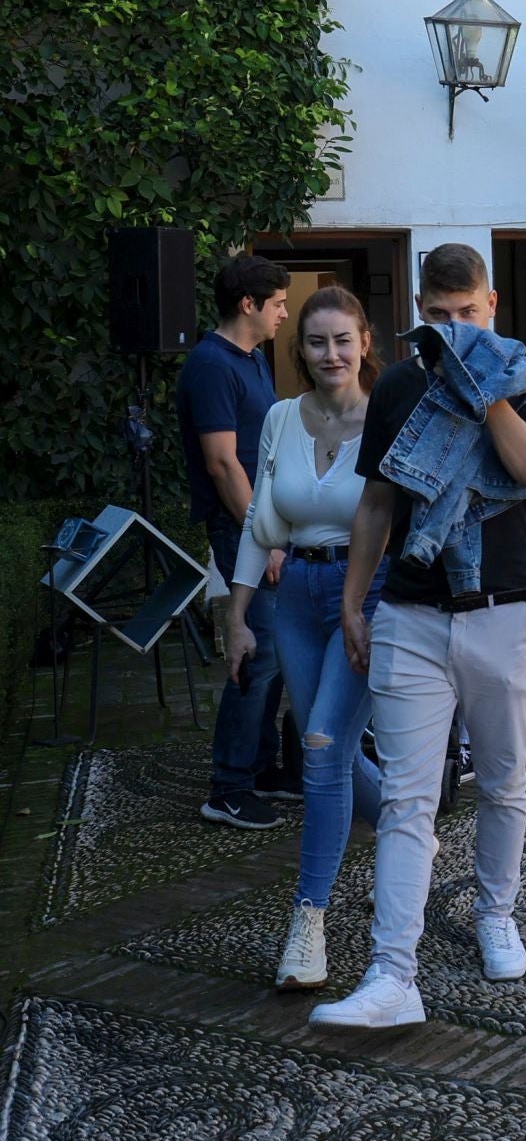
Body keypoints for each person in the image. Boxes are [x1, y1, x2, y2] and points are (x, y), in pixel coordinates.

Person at [312, 242, 526, 1030]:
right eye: (441, 316)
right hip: (411, 613)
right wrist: (356, 603)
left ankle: (496, 914)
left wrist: (482, 390)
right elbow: (378, 503)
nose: (455, 326)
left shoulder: (523, 374)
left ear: (491, 307)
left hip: (503, 607)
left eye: (468, 313)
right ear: (421, 312)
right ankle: (392, 975)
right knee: (408, 801)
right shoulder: (397, 386)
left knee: (502, 781)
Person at [224, 286, 387, 989]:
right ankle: (413, 829)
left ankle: (308, 921)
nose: (331, 354)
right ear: (301, 350)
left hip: (367, 597)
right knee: (334, 751)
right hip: (294, 599)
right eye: (317, 342)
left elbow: (399, 522)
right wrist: (236, 615)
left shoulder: (388, 419)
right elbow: (262, 520)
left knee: (320, 749)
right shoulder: (282, 417)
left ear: (364, 343)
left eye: (342, 340)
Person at [179, 254, 293, 830]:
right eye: (276, 303)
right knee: (260, 646)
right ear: (248, 304)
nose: (284, 312)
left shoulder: (250, 360)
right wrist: (265, 536)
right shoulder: (209, 364)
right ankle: (228, 786)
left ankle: (263, 766)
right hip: (243, 525)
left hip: (266, 521)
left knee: (277, 649)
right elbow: (224, 465)